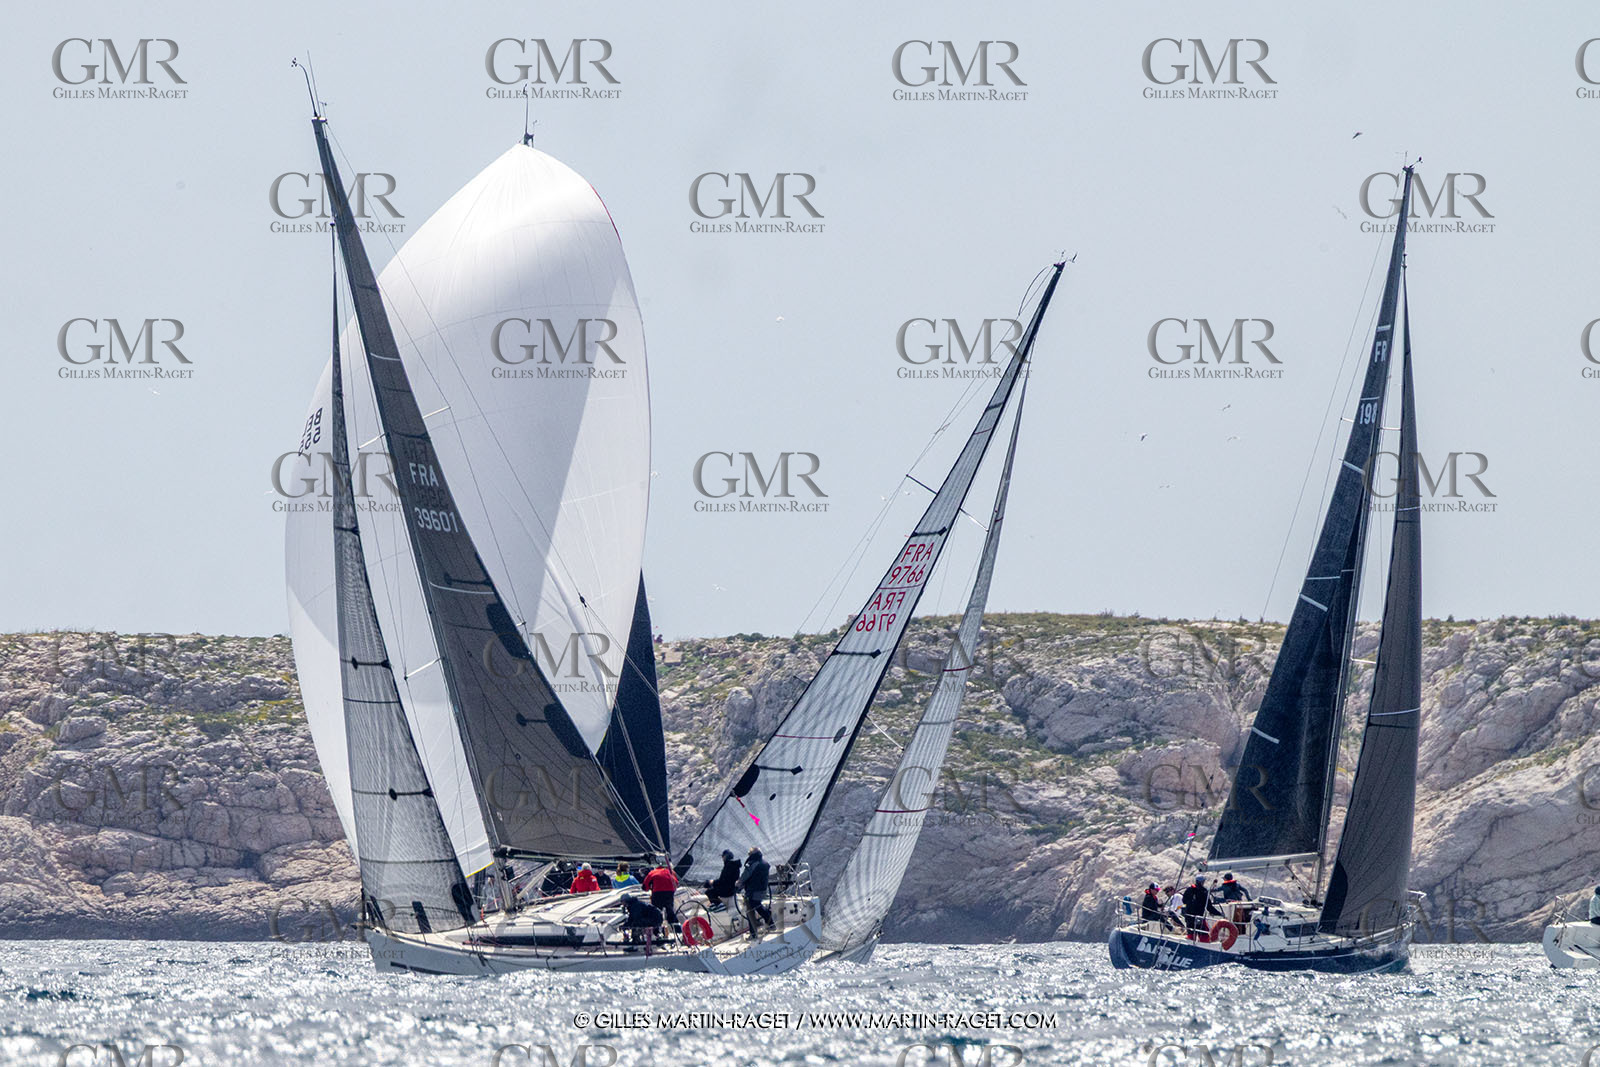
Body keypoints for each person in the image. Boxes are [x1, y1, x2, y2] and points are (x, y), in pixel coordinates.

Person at [738, 847, 774, 936]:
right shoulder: (765, 863)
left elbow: (744, 876)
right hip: (762, 890)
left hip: (752, 891)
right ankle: (771, 924)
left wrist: (738, 884)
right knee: (758, 907)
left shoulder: (752, 864)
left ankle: (753, 934)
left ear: (752, 854)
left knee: (750, 911)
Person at [643, 861, 681, 929]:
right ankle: (677, 929)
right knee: (670, 911)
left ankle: (656, 930)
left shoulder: (653, 872)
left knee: (656, 912)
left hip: (657, 893)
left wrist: (649, 888)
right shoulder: (670, 872)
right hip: (669, 893)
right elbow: (676, 883)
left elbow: (645, 887)